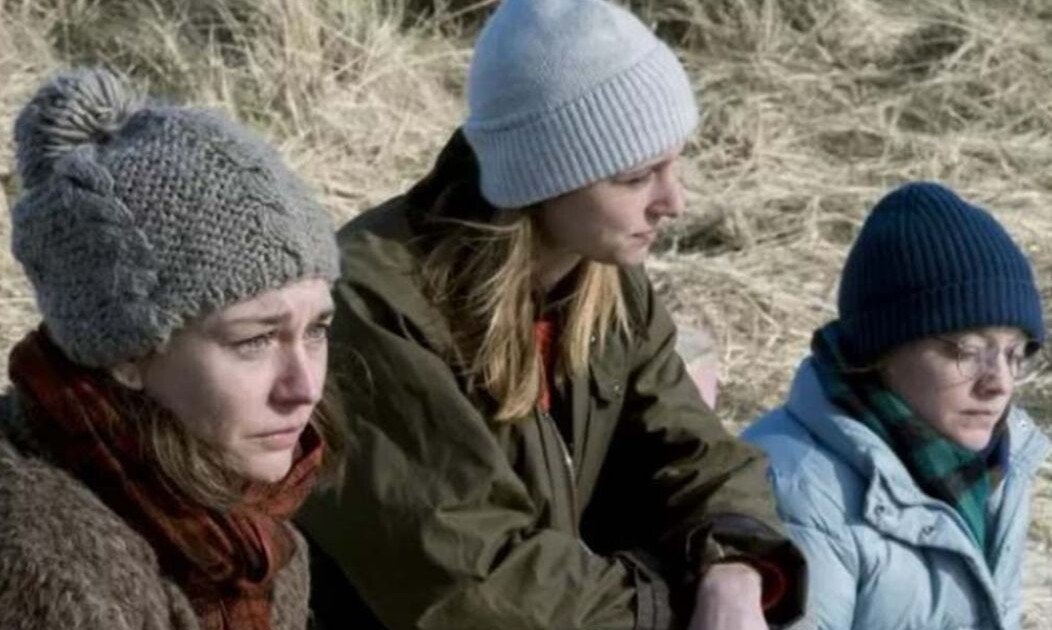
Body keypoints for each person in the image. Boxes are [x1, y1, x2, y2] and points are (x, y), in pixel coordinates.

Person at [297, 1, 807, 628]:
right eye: (636, 176)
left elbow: (694, 453)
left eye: (675, 163)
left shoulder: (602, 278)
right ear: (543, 176)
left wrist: (733, 569)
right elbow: (474, 583)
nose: (674, 202)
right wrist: (676, 603)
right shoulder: (374, 307)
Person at [0, 67, 344, 630]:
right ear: (126, 354)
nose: (304, 388)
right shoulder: (45, 567)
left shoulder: (247, 516)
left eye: (316, 329)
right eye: (255, 339)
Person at [743, 181, 1049, 630]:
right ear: (882, 349)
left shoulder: (995, 470)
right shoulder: (798, 490)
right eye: (966, 350)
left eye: (1014, 353)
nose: (999, 383)